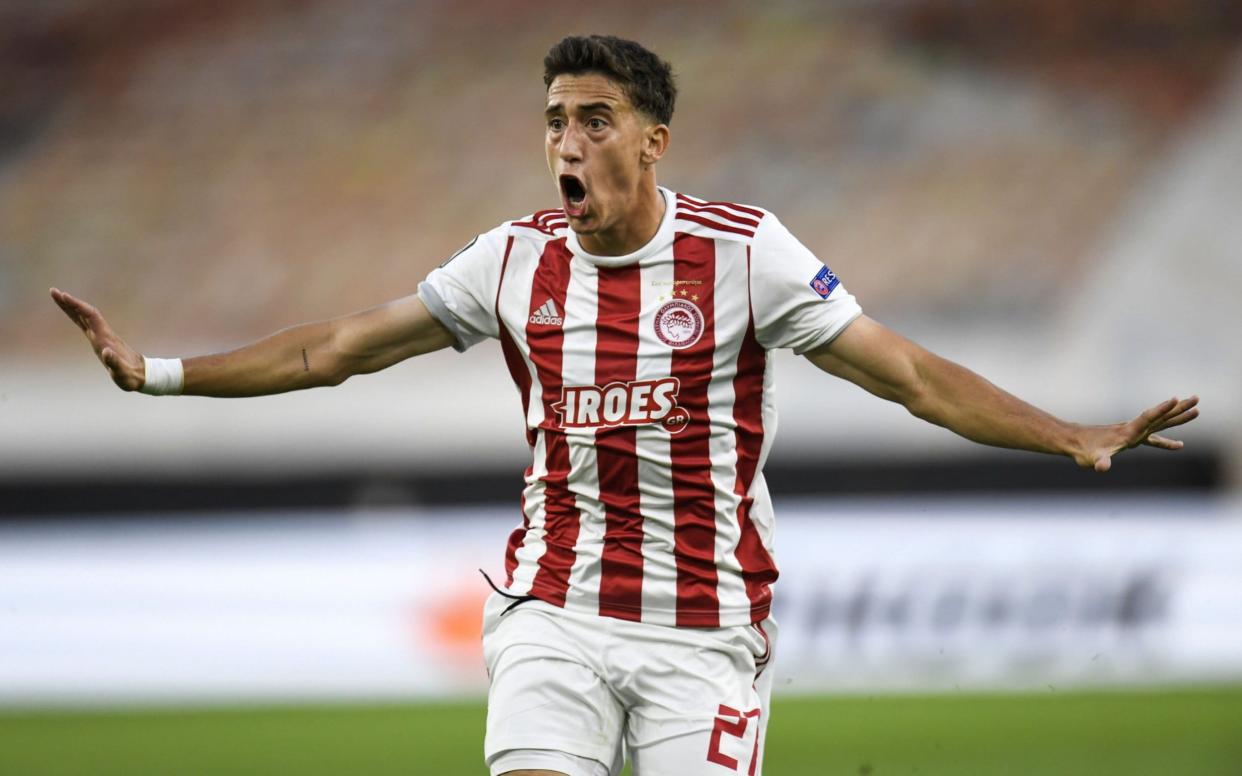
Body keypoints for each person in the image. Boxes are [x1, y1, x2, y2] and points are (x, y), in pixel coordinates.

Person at [51, 34, 1199, 776]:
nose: (567, 141)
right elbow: (336, 349)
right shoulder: (512, 261)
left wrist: (1070, 431)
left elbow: (904, 372)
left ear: (653, 143)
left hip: (705, 626)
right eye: (555, 119)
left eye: (594, 119)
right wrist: (160, 371)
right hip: (553, 614)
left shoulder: (746, 255)